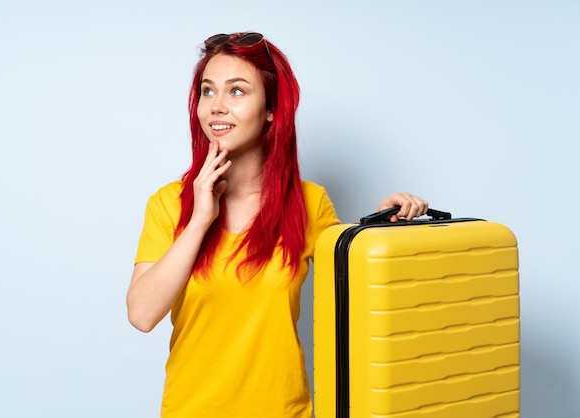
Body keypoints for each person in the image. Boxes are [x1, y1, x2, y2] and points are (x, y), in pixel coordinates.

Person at [126, 31, 428, 418]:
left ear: (271, 108)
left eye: (236, 91)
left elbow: (361, 298)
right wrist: (201, 219)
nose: (216, 106)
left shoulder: (309, 203)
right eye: (207, 91)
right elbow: (142, 314)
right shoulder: (169, 204)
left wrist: (381, 228)